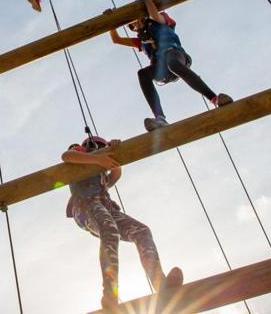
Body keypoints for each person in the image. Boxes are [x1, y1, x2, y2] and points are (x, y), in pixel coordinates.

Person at [63, 131, 183, 309]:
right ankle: (110, 293)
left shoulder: (101, 176)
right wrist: (97, 159)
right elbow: (66, 156)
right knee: (109, 231)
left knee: (142, 231)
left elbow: (114, 177)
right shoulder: (80, 154)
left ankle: (161, 284)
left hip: (106, 208)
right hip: (86, 206)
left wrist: (115, 155)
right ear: (91, 148)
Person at [106, 0, 232, 131]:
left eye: (137, 21)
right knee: (143, 74)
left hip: (176, 56)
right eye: (132, 26)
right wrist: (110, 22)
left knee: (173, 63)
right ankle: (160, 118)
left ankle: (214, 98)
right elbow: (116, 40)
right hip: (162, 68)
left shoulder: (159, 22)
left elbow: (154, 15)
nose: (136, 25)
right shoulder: (141, 41)